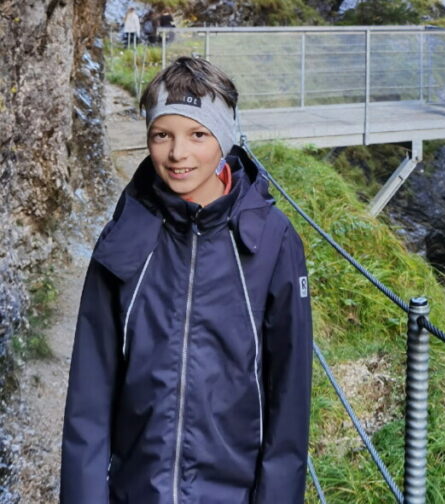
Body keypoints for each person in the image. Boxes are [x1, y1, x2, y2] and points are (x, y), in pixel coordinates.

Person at [60, 56, 312, 504]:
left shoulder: (273, 241)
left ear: (225, 138)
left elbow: (289, 402)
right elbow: (89, 395)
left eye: (198, 134)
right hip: (135, 492)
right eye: (162, 135)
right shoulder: (122, 239)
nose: (178, 154)